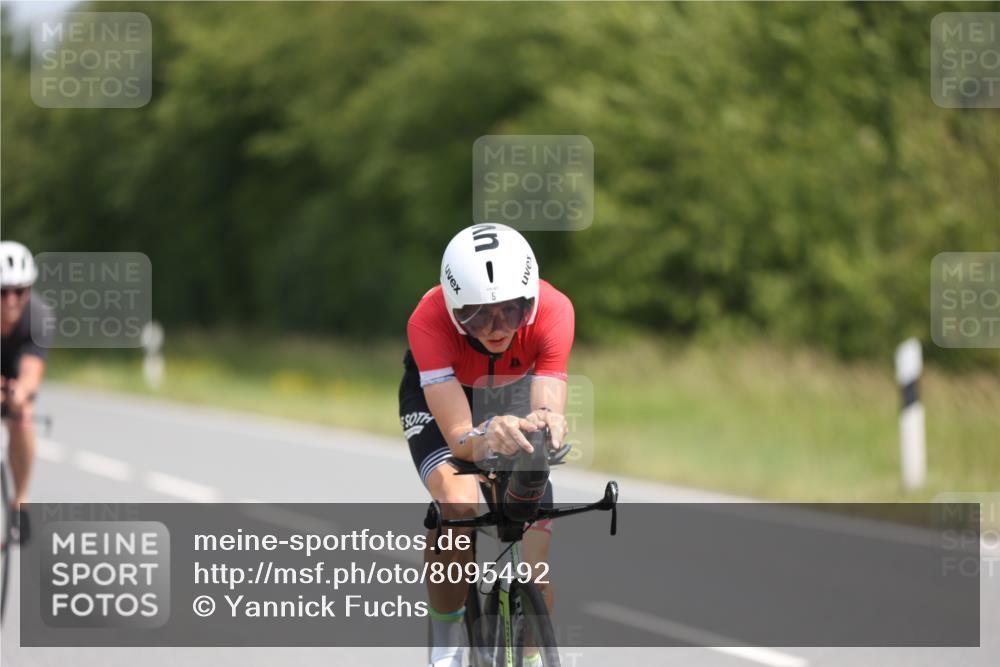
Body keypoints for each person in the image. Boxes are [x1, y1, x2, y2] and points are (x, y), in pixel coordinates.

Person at [399, 223, 574, 667]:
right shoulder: (428, 319)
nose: (496, 328)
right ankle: (445, 644)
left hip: (511, 393)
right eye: (476, 316)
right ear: (454, 309)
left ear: (530, 302)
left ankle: (532, 656)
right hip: (444, 397)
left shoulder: (555, 310)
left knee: (533, 558)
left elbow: (547, 401)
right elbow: (460, 438)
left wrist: (547, 421)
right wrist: (485, 433)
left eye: (511, 312)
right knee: (458, 504)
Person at [1, 241, 51, 530]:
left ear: (28, 290)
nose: (10, 300)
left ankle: (20, 497)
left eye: (17, 291)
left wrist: (19, 393)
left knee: (23, 416)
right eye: (2, 292)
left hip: (16, 368)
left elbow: (31, 373)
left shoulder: (39, 317)